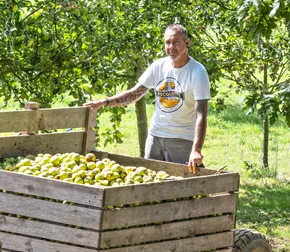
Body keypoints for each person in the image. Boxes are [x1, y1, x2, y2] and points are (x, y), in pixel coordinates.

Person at [84, 24, 211, 171]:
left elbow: (201, 114)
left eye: (176, 42)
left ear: (187, 43)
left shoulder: (197, 72)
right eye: (167, 42)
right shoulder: (158, 66)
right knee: (151, 183)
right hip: (155, 136)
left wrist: (196, 149)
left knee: (184, 186)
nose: (171, 47)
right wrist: (104, 102)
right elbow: (134, 94)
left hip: (182, 139)